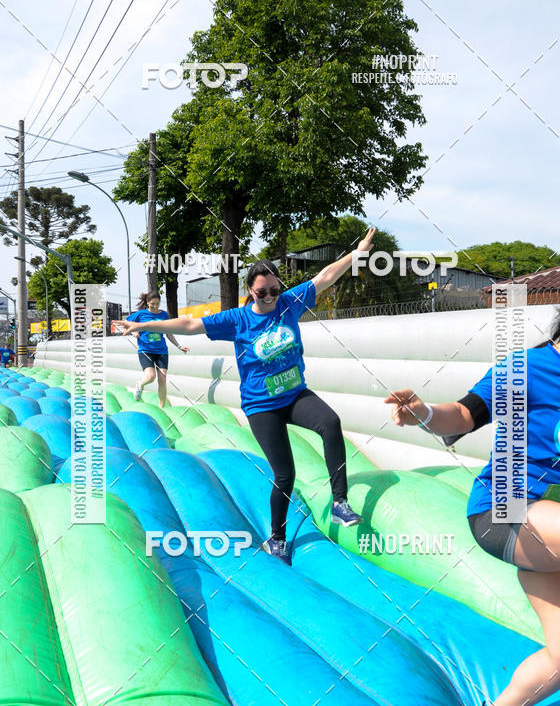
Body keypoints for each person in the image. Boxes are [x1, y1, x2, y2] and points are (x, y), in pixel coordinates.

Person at [385, 266, 560, 706]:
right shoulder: (525, 370)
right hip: (504, 511)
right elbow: (464, 415)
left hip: (551, 528)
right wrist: (423, 414)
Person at [116, 231, 375, 564]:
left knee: (330, 422)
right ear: (250, 291)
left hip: (295, 395)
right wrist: (143, 328)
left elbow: (325, 276)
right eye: (262, 292)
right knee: (286, 475)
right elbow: (191, 324)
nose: (269, 297)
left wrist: (357, 253)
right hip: (261, 406)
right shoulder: (237, 320)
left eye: (274, 290)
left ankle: (339, 503)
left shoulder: (289, 304)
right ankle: (277, 539)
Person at [125, 292, 189, 408]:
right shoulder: (141, 314)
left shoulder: (164, 315)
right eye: (153, 304)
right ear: (148, 302)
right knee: (150, 376)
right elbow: (126, 324)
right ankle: (140, 384)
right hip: (146, 350)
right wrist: (133, 331)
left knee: (162, 380)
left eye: (157, 304)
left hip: (161, 351)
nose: (155, 306)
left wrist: (179, 346)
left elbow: (169, 333)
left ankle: (162, 408)